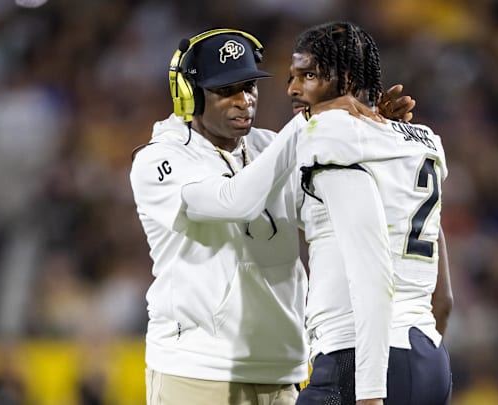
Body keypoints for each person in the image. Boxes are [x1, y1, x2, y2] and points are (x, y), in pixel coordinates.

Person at [129, 28, 412, 405]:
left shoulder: (268, 144)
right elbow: (234, 201)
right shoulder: (159, 159)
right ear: (189, 96)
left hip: (282, 374)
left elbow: (329, 212)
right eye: (225, 90)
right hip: (196, 373)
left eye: (249, 87)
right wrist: (312, 120)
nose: (244, 101)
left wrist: (375, 132)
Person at [287, 22, 453, 405]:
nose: (294, 90)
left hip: (358, 361)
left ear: (341, 78)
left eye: (308, 75)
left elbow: (249, 200)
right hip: (428, 357)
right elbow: (442, 300)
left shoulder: (330, 140)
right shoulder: (422, 143)